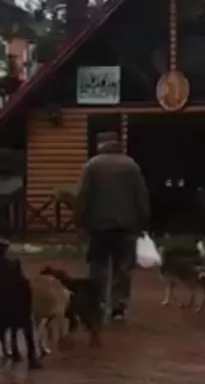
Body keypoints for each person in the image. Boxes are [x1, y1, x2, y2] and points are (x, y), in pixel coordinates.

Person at [74, 131, 150, 320]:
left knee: (97, 266)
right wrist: (143, 221)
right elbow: (141, 195)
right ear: (117, 145)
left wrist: (80, 221)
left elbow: (83, 196)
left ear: (100, 146)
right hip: (126, 226)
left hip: (97, 227)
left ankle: (96, 302)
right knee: (123, 268)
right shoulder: (131, 166)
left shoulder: (91, 166)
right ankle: (118, 307)